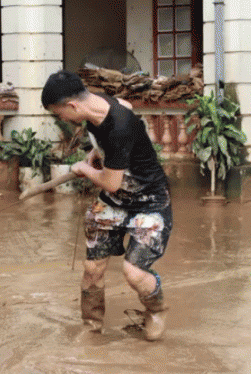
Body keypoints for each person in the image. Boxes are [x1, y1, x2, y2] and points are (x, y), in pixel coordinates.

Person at [41, 70, 172, 341]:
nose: (61, 119)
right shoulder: (96, 104)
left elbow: (110, 182)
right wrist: (98, 152)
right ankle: (92, 327)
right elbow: (126, 104)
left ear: (73, 105)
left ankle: (157, 309)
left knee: (133, 272)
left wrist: (82, 168)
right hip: (115, 201)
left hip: (149, 201)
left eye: (59, 113)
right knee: (92, 270)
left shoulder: (120, 128)